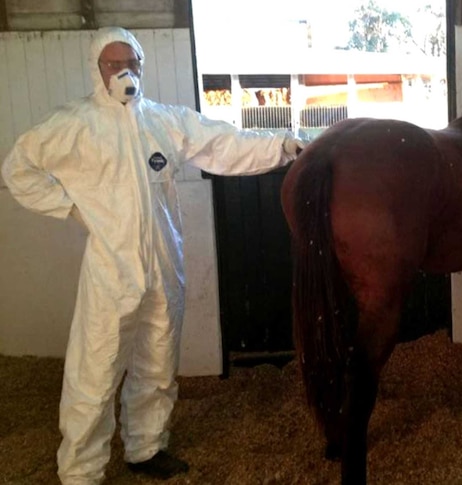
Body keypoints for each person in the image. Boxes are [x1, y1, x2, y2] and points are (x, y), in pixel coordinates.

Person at [1, 27, 303, 484]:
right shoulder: (74, 124)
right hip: (110, 271)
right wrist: (69, 207)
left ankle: (146, 447)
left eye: (132, 63)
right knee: (96, 369)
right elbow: (19, 168)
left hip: (164, 264)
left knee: (158, 362)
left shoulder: (164, 121)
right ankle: (81, 470)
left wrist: (281, 147)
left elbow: (221, 142)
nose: (124, 72)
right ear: (96, 68)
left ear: (142, 66)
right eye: (113, 64)